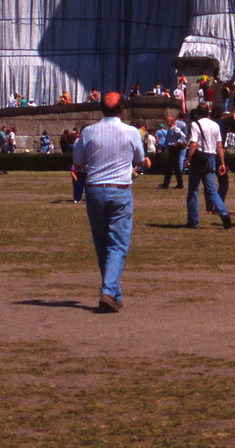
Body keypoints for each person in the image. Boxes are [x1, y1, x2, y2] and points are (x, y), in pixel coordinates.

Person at [71, 91, 148, 312]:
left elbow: (78, 161)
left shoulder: (88, 132)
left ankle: (114, 293)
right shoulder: (132, 132)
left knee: (102, 244)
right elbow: (139, 158)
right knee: (118, 244)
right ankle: (107, 291)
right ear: (122, 109)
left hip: (94, 189)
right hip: (120, 190)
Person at [183, 104, 231, 229]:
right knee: (212, 190)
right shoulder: (215, 125)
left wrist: (188, 159)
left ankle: (193, 221)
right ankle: (223, 213)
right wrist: (222, 162)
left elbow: (193, 143)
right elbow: (219, 146)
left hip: (199, 157)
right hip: (211, 157)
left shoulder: (195, 124)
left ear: (197, 114)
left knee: (193, 191)